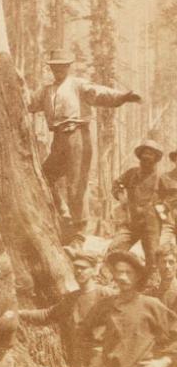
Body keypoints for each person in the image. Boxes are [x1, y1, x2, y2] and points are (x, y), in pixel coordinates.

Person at [27, 49, 141, 245]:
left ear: (68, 67)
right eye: (54, 67)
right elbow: (29, 104)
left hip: (77, 135)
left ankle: (79, 232)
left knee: (76, 183)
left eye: (62, 66)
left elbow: (100, 94)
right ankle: (63, 215)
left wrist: (123, 97)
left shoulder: (78, 85)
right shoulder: (47, 91)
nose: (58, 71)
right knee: (45, 177)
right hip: (59, 139)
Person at [109, 139, 166, 278]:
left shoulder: (161, 178)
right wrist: (122, 198)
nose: (147, 157)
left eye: (150, 154)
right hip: (131, 222)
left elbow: (171, 198)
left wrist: (162, 210)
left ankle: (150, 286)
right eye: (144, 154)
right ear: (140, 157)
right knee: (115, 249)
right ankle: (109, 280)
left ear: (156, 158)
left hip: (151, 226)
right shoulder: (132, 173)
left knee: (153, 259)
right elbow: (117, 184)